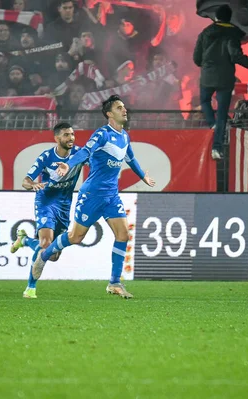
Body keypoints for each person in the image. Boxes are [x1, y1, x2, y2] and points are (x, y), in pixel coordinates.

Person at [30, 95, 155, 299]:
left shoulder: (124, 136)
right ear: (109, 113)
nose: (125, 110)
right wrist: (68, 164)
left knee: (123, 235)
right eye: (119, 107)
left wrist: (143, 176)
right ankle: (44, 255)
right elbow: (85, 152)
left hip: (111, 196)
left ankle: (114, 283)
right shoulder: (102, 134)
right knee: (75, 237)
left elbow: (131, 159)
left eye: (124, 107)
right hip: (92, 195)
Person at [10, 122, 84, 299]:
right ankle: (30, 288)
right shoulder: (45, 157)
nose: (71, 138)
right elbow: (25, 181)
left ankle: (25, 240)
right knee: (45, 243)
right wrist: (33, 184)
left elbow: (96, 162)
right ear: (57, 138)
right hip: (46, 202)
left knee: (53, 255)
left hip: (65, 205)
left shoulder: (79, 154)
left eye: (72, 134)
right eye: (66, 135)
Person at [193, 5, 248, 160]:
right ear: (230, 17)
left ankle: (211, 123)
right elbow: (236, 56)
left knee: (205, 101)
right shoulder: (233, 33)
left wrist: (206, 65)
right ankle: (217, 147)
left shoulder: (205, 33)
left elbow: (196, 58)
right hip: (225, 78)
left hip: (207, 76)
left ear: (216, 17)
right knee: (222, 113)